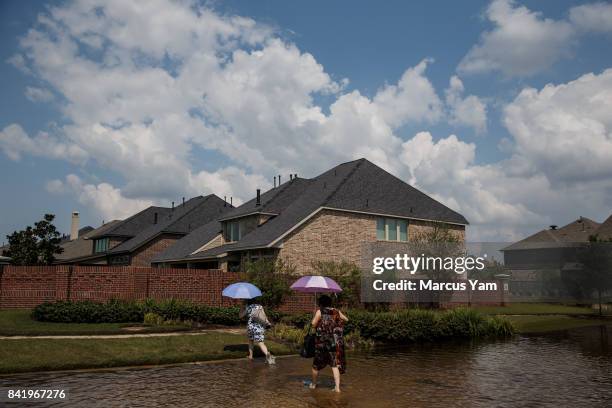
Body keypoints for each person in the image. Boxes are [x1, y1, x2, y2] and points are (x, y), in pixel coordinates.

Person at [309, 294, 349, 393]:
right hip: (334, 343)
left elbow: (313, 324)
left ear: (321, 303)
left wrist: (316, 318)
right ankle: (337, 388)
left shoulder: (320, 311)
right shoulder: (336, 311)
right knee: (334, 365)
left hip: (322, 342)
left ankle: (313, 384)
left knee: (316, 364)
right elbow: (346, 319)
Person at [240, 299, 275, 364]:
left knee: (251, 341)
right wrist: (267, 323)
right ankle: (267, 354)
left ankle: (251, 356)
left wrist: (242, 308)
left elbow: (241, 316)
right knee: (261, 343)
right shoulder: (260, 306)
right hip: (260, 327)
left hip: (251, 327)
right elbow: (264, 317)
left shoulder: (248, 307)